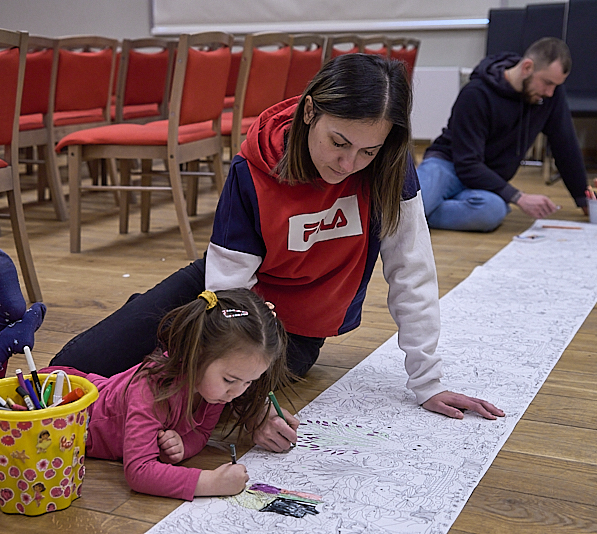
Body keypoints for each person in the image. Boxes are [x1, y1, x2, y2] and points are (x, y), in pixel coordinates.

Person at [49, 53, 505, 453]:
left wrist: (427, 382)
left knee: (193, 394)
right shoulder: (253, 167)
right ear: (309, 112)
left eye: (367, 150)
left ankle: (170, 346)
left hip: (291, 330)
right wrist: (248, 401)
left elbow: (412, 271)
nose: (348, 165)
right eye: (339, 143)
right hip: (228, 296)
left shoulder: (389, 166)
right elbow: (228, 284)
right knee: (72, 371)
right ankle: (164, 331)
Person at [0, 248, 292, 501]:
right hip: (49, 407)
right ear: (196, 355)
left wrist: (183, 445)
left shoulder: (214, 389)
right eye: (231, 380)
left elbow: (198, 433)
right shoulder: (151, 389)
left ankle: (0, 330)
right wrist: (208, 481)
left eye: (249, 382)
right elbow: (140, 473)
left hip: (82, 393)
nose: (237, 392)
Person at [417, 37, 589, 232]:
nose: (550, 92)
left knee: (491, 212)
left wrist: (584, 199)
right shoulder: (476, 94)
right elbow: (467, 163)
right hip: (448, 165)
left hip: (485, 181)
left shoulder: (550, 97)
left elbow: (565, 145)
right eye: (547, 83)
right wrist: (518, 197)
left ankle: (423, 214)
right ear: (527, 67)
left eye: (556, 86)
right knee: (410, 204)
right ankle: (422, 210)